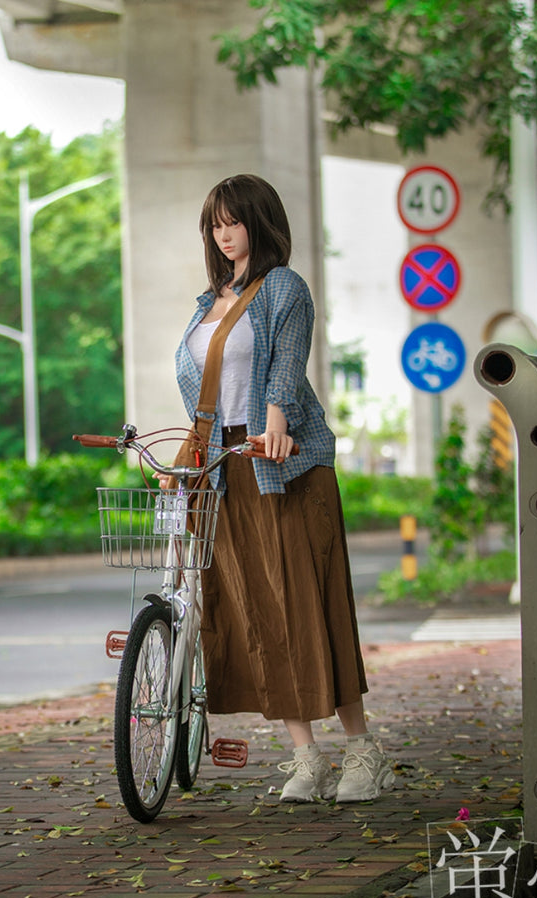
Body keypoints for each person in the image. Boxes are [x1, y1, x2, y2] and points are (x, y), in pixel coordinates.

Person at [172, 173, 393, 804]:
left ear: (259, 223)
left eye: (234, 221)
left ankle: (363, 751)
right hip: (224, 470)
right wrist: (190, 456)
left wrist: (275, 426)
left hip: (284, 464)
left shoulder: (284, 289)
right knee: (255, 611)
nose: (224, 234)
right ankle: (306, 757)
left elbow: (286, 369)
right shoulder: (203, 304)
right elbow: (202, 396)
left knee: (309, 607)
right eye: (215, 223)